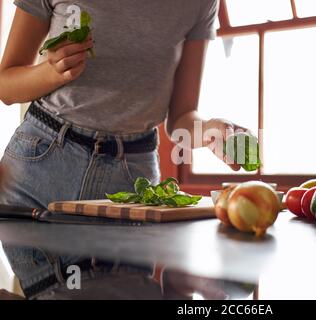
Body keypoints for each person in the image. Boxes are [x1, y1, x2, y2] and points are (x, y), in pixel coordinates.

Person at [0, 0, 247, 298]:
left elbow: (182, 118)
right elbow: (5, 85)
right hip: (40, 168)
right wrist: (50, 72)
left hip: (131, 184)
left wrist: (209, 131)